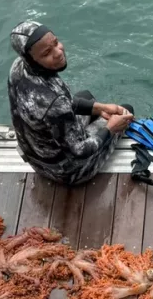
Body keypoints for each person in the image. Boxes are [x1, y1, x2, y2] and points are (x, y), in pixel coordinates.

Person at [8, 20, 133, 186]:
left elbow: (58, 105)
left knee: (86, 97)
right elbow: (79, 152)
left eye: (56, 42)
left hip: (38, 155)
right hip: (68, 171)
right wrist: (110, 128)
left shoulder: (17, 68)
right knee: (125, 112)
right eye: (46, 53)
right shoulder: (54, 103)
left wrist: (100, 108)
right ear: (31, 59)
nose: (58, 52)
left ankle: (98, 117)